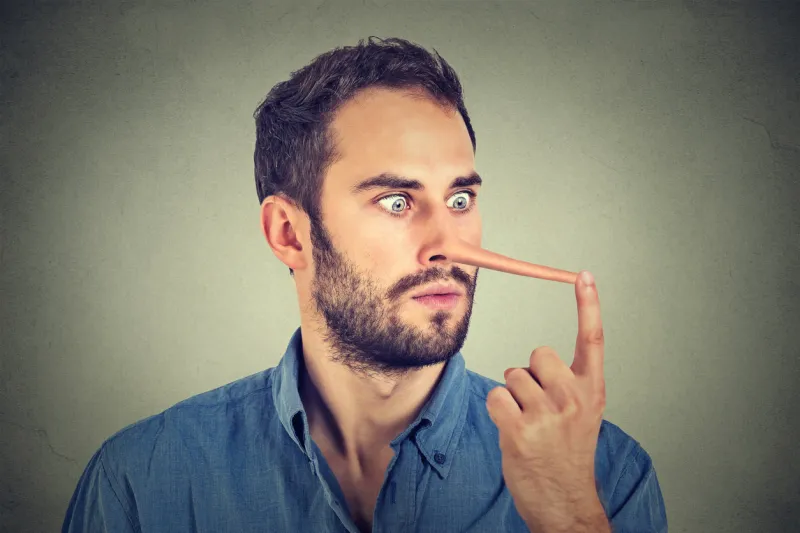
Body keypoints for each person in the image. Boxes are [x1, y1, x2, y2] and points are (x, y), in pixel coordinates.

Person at [62, 37, 667, 533]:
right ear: (289, 234)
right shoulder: (141, 481)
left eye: (460, 198)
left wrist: (569, 519)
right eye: (397, 200)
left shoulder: (604, 476)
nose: (448, 244)